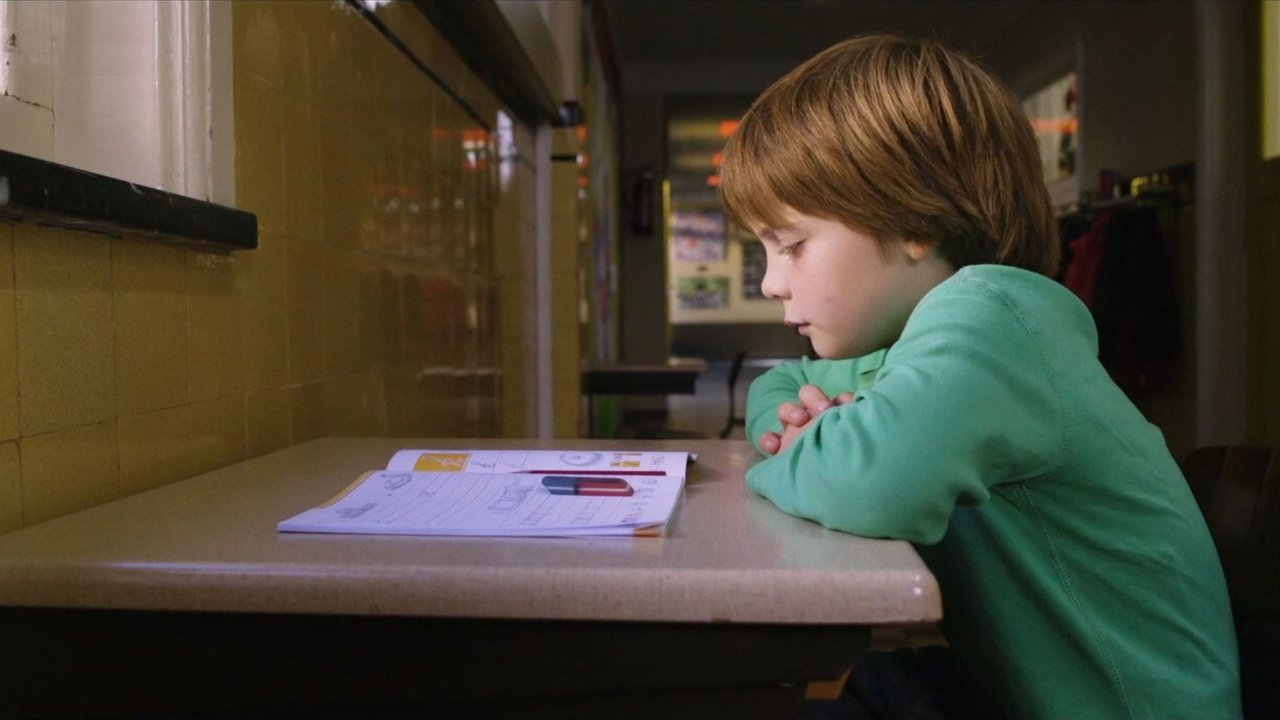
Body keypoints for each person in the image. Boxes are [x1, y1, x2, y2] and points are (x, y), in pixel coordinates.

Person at [718, 34, 1241, 719]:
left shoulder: (990, 320)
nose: (771, 282)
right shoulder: (907, 343)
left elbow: (877, 484)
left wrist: (795, 451)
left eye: (791, 244)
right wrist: (803, 432)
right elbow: (783, 386)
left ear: (911, 221)